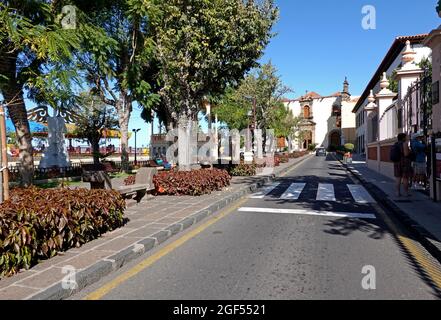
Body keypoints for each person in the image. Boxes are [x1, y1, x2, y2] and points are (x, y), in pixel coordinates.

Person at [393, 133, 413, 197]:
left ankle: (397, 192)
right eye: (406, 136)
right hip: (404, 163)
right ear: (403, 138)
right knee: (405, 178)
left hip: (396, 163)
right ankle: (406, 193)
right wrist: (410, 151)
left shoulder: (395, 144)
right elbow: (406, 154)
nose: (407, 137)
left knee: (398, 178)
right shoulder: (404, 144)